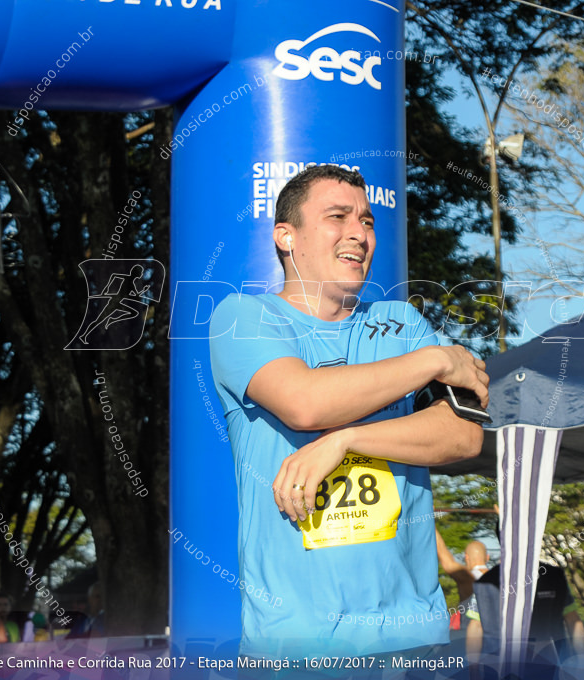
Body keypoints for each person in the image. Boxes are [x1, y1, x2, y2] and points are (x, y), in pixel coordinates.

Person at [209, 165, 489, 660]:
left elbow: (464, 436)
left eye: (367, 220)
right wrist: (435, 358)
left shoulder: (400, 322)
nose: (359, 233)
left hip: (411, 638)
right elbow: (305, 402)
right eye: (338, 217)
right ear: (286, 237)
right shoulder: (241, 317)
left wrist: (346, 441)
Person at [465, 561, 584, 669]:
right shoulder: (488, 580)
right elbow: (573, 620)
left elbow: (573, 620)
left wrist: (582, 661)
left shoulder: (553, 577)